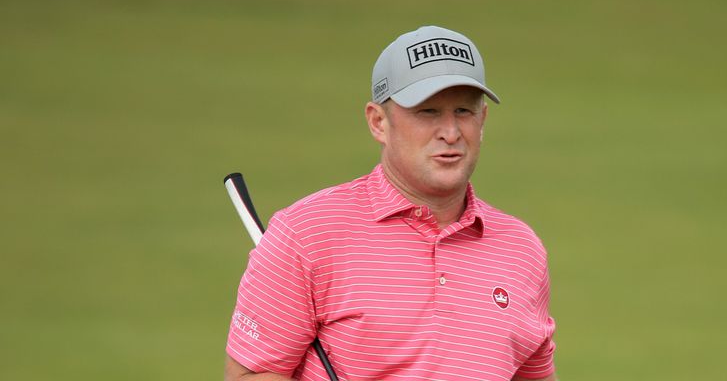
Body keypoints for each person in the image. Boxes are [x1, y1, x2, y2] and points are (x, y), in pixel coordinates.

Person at [224, 26, 557, 381]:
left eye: (464, 111)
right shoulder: (308, 233)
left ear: (483, 120)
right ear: (378, 122)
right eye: (427, 112)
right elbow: (249, 375)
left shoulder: (521, 249)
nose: (450, 131)